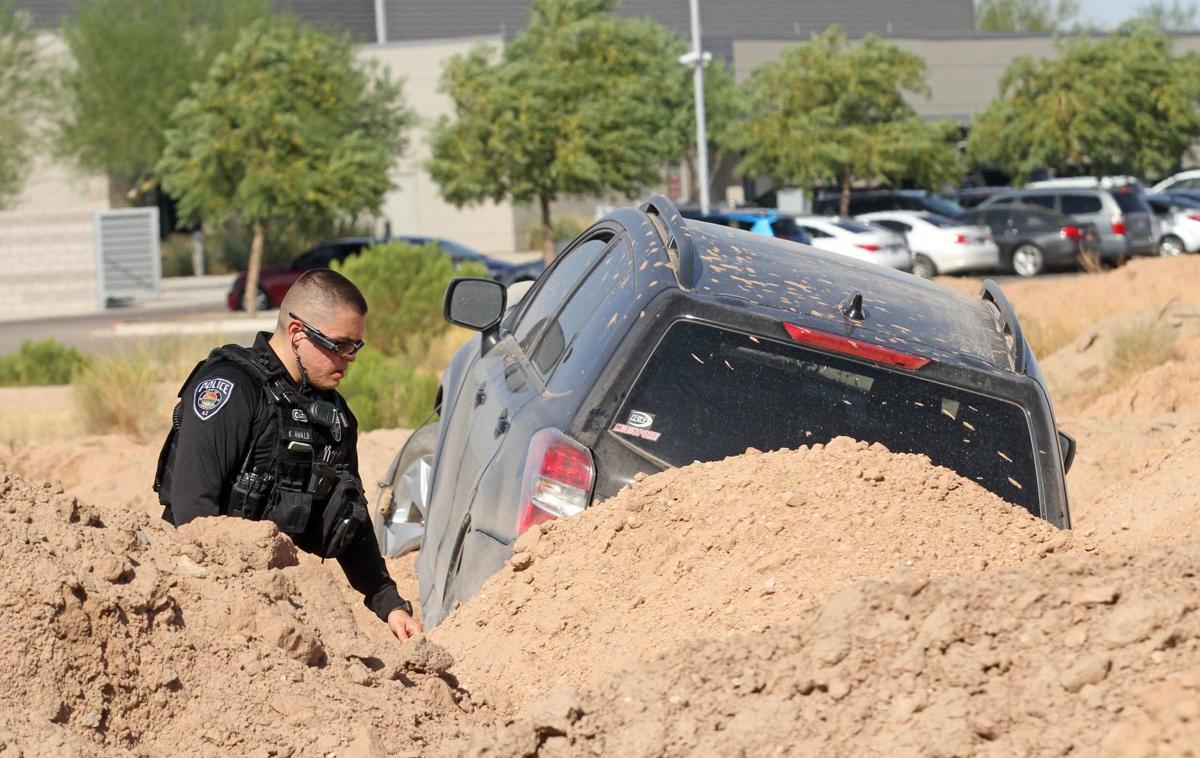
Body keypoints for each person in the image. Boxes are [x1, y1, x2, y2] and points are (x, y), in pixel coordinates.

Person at [154, 269, 422, 642]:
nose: (349, 358)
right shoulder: (230, 388)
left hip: (279, 605)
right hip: (202, 601)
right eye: (340, 344)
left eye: (356, 347)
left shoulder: (335, 417)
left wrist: (388, 602)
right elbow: (192, 510)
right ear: (297, 333)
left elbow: (349, 518)